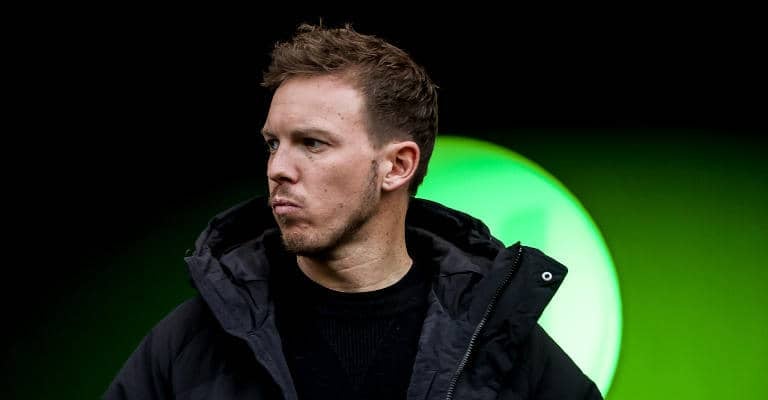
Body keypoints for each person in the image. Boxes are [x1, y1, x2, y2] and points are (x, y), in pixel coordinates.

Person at [105, 23, 602, 400]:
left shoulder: (497, 344)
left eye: (312, 143)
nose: (278, 168)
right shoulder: (191, 341)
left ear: (397, 166)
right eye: (273, 144)